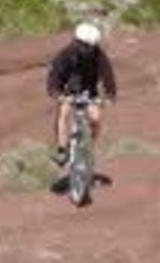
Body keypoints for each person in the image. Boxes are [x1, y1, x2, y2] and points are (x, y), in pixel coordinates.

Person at [46, 22, 117, 167]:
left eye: (90, 46)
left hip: (89, 91)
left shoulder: (99, 55)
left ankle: (88, 148)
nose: (87, 49)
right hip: (68, 91)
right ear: (77, 42)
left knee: (96, 118)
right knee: (64, 113)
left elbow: (107, 74)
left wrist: (110, 95)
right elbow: (54, 75)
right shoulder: (65, 54)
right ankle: (62, 151)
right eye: (84, 45)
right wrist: (56, 93)